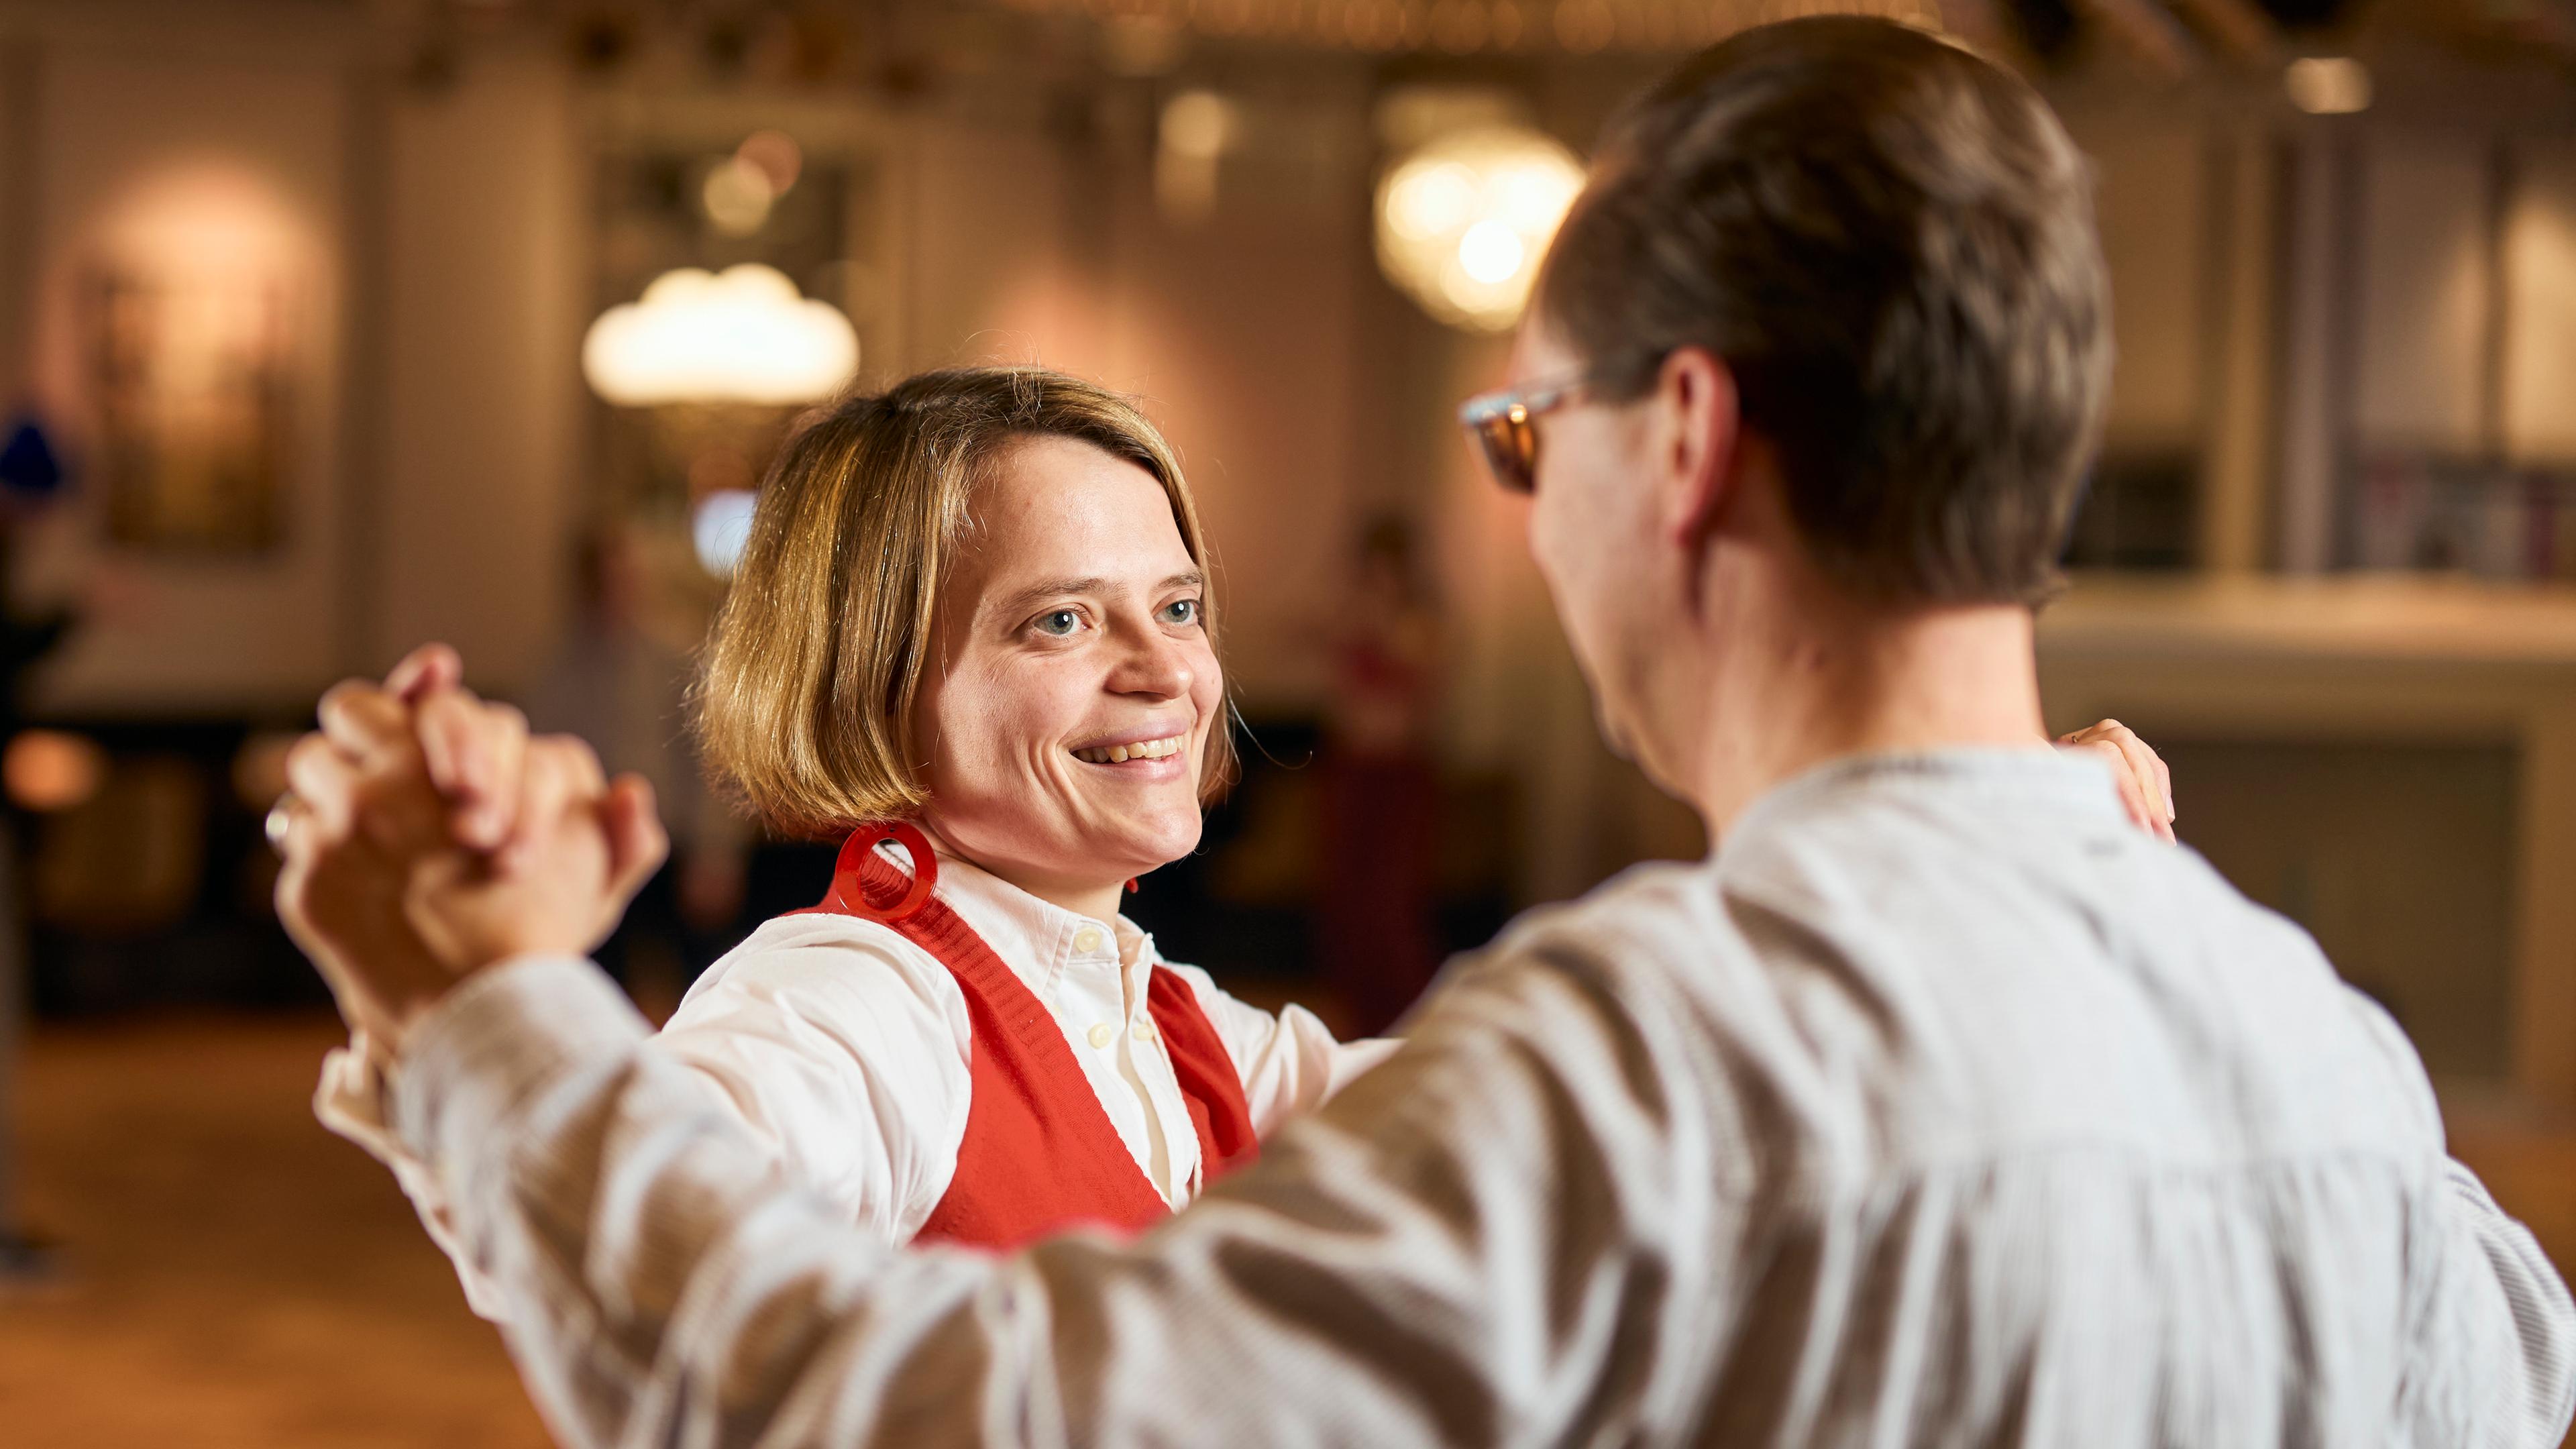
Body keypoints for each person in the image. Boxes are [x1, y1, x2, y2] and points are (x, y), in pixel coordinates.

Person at [272, 17, 2572, 1447]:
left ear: (1683, 444)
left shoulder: (1648, 1069)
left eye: (1525, 434)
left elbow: (873, 1409)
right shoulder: (2323, 1053)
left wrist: (479, 1015)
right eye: (1074, 618)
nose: (1526, 510)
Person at [314, 371, 1407, 1276]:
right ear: (875, 686)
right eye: (1061, 620)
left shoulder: (1175, 1020)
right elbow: (640, 1243)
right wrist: (472, 987)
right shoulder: (855, 999)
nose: (1167, 670)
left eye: (1178, 606)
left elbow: (1465, 1123)